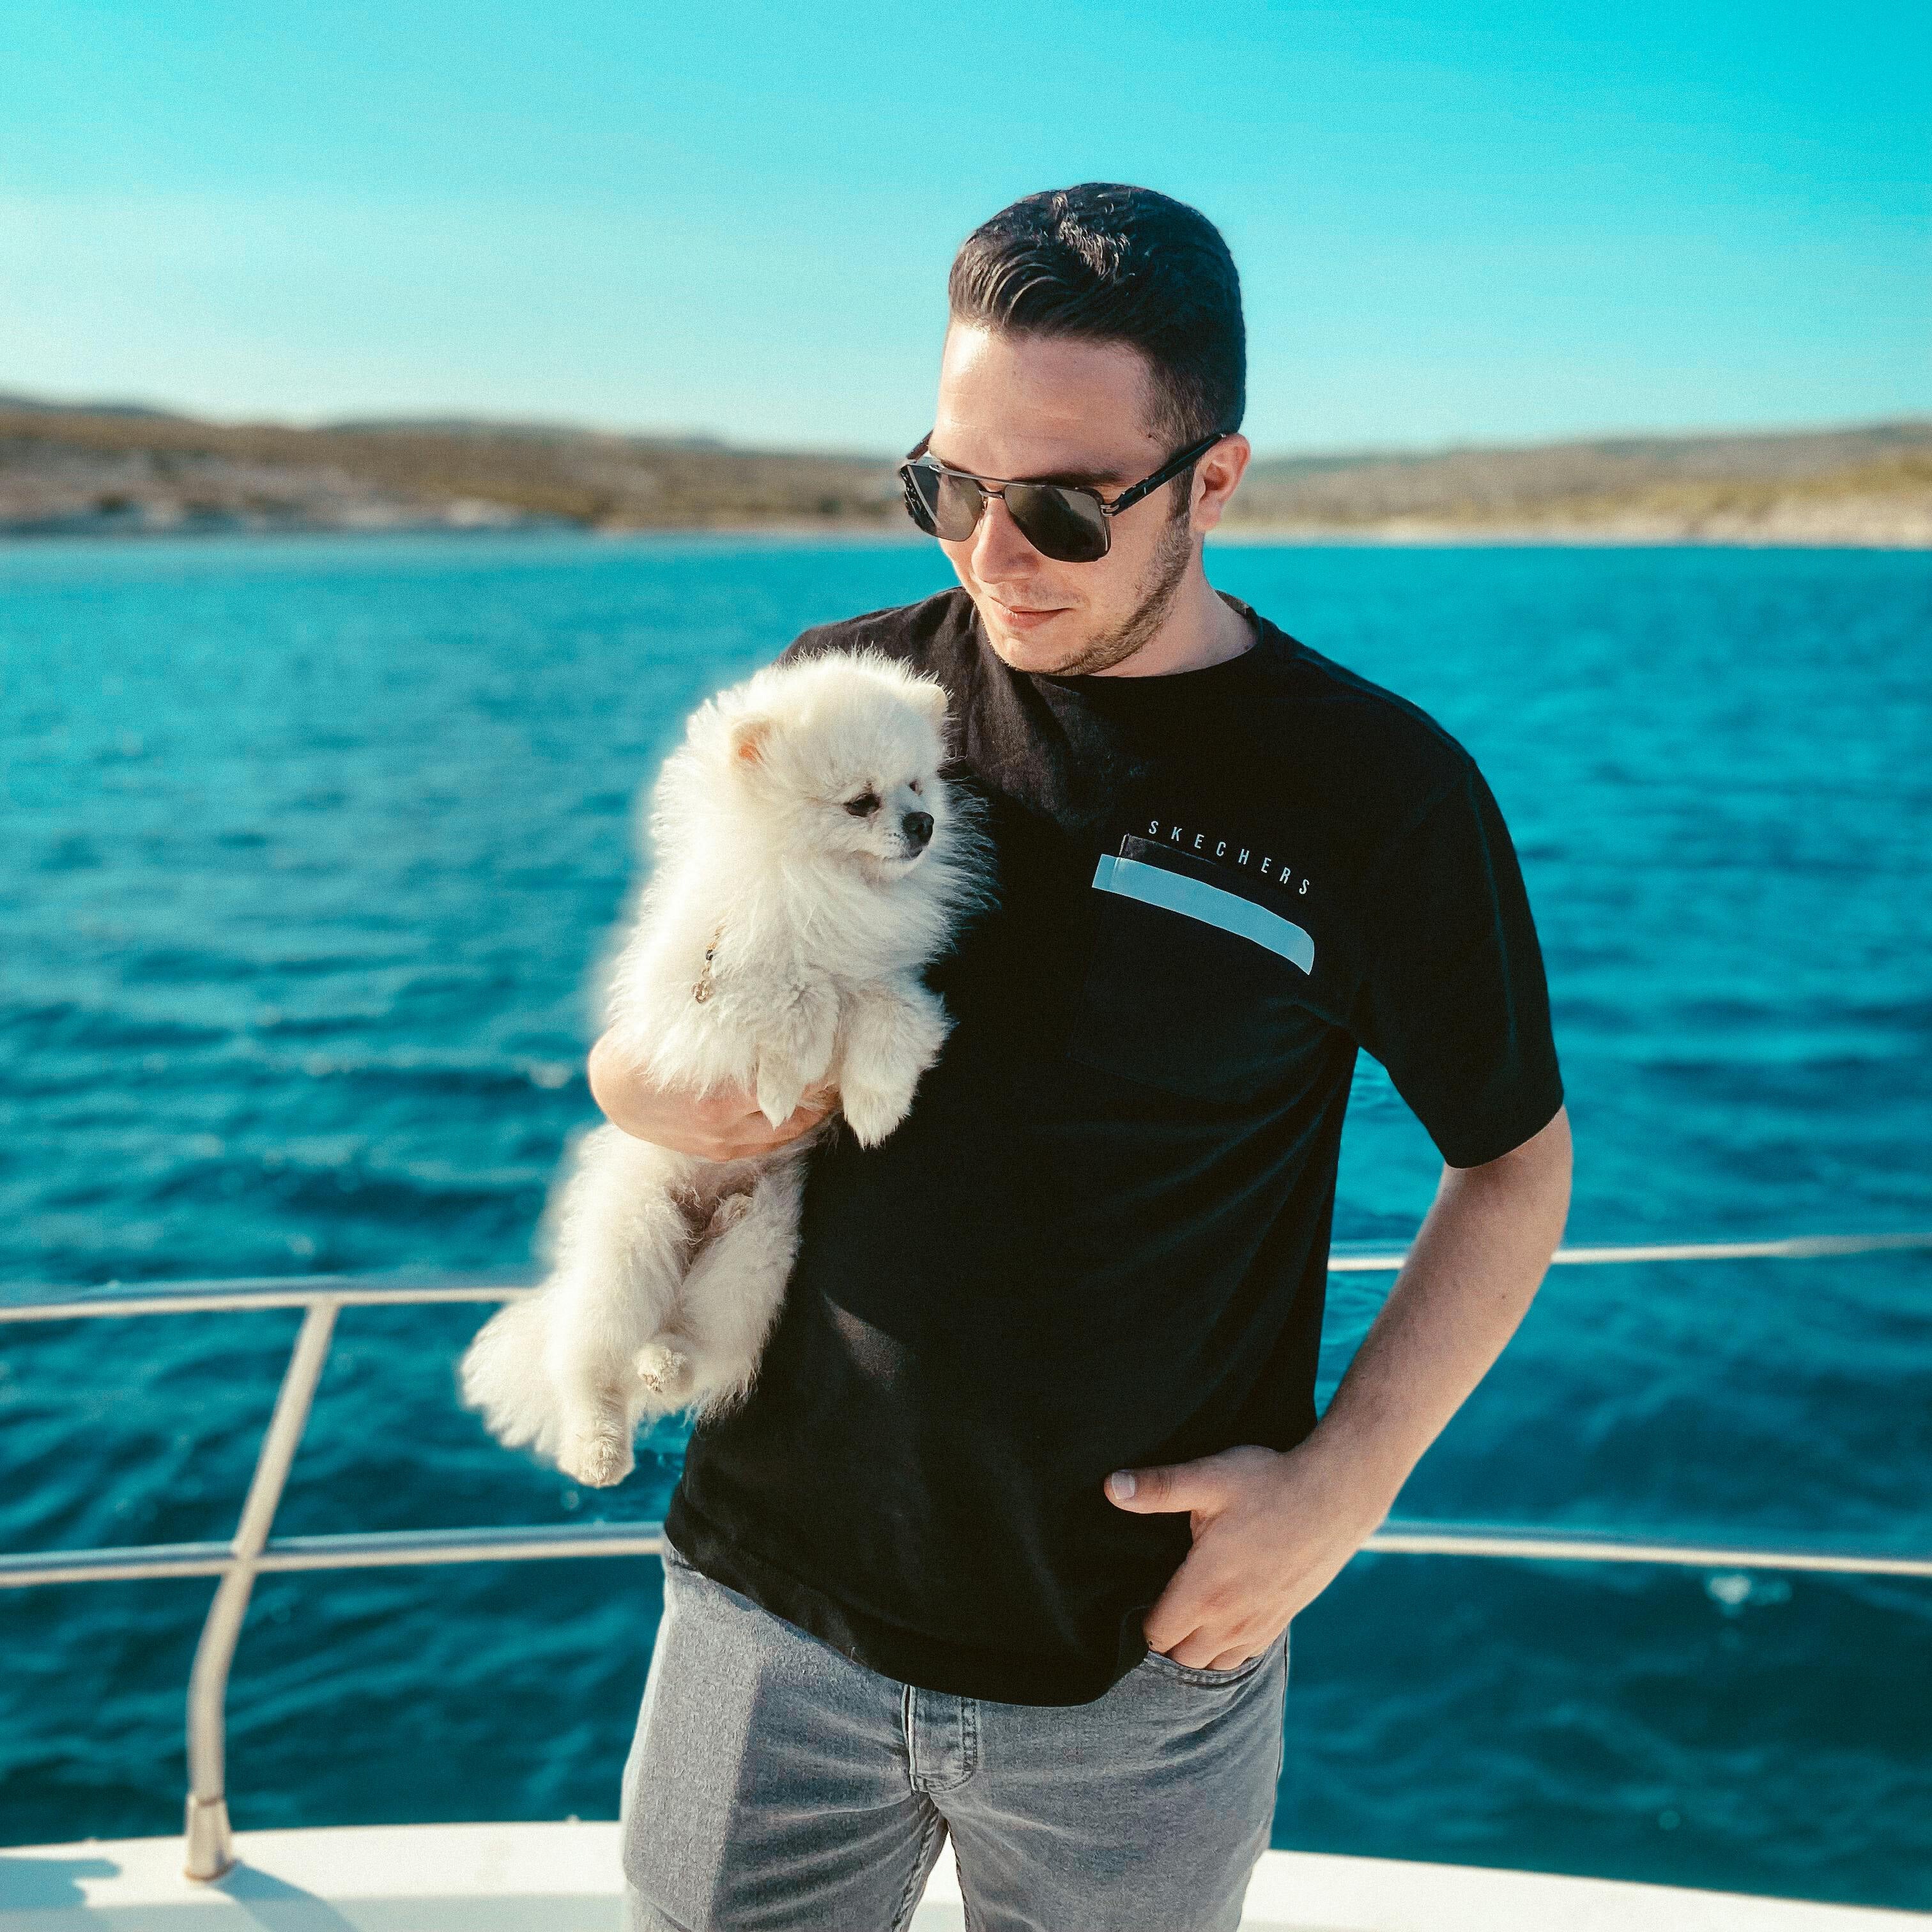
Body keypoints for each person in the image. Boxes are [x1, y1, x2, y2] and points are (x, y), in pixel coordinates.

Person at [592, 181, 1572, 1932]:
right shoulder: (840, 703)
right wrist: (651, 1093)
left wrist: (1344, 1487)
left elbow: (1512, 1162)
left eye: (1056, 505)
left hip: (1136, 1666)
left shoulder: (1375, 798)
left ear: (1213, 480)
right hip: (765, 1613)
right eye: (946, 488)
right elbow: (649, 1040)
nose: (991, 554)